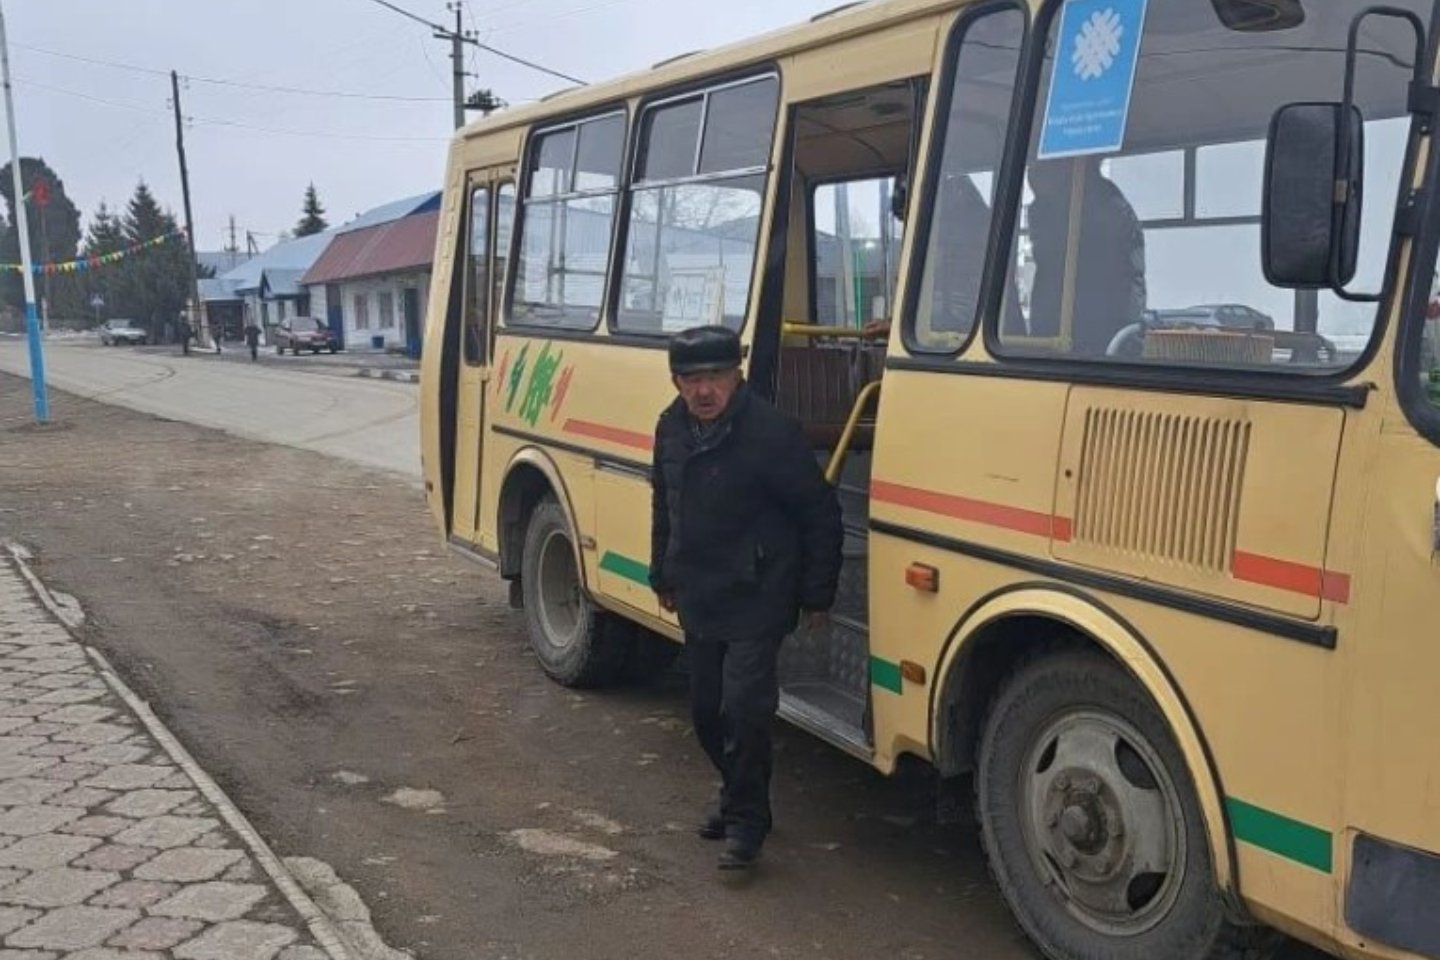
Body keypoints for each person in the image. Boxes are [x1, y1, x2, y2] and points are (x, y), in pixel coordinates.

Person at [649, 325, 844, 871]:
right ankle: (737, 793)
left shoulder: (772, 433)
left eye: (714, 377)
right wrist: (661, 573)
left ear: (737, 376)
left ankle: (746, 823)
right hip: (702, 591)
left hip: (761, 591)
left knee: (745, 708)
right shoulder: (671, 428)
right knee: (707, 712)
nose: (703, 390)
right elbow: (665, 504)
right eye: (691, 379)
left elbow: (819, 512)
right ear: (676, 382)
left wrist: (816, 593)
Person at [1024, 155, 1146, 355]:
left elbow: (1064, 265)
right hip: (1071, 330)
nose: (1033, 175)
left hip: (1090, 337)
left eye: (1039, 167)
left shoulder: (1094, 205)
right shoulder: (1095, 199)